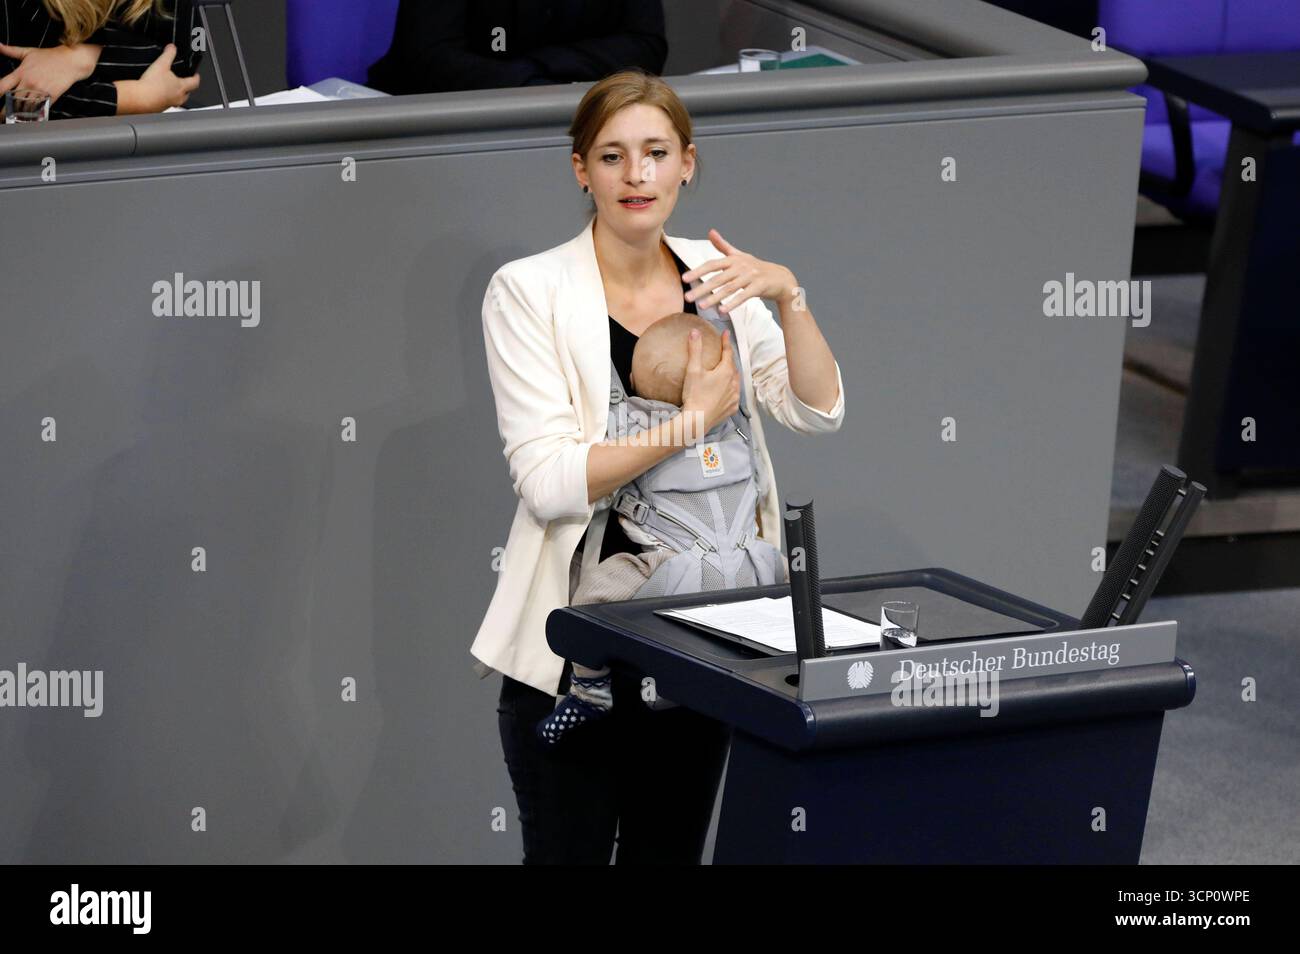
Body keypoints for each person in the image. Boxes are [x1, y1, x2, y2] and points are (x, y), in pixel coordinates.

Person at [474, 68, 846, 864]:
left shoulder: (723, 285)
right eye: (612, 156)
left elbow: (816, 410)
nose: (635, 175)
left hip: (705, 645)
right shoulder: (528, 291)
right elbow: (549, 483)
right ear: (581, 169)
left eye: (655, 152)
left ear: (687, 162)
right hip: (580, 657)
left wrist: (790, 298)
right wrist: (692, 424)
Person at [536, 312, 789, 746]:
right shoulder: (735, 423)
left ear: (631, 380)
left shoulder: (631, 427)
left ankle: (589, 688)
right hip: (756, 569)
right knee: (791, 591)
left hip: (675, 572)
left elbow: (574, 478)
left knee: (587, 598)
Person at [368, 0, 667, 94]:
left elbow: (645, 47)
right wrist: (530, 82)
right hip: (446, 132)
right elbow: (429, 56)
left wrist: (542, 71)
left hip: (586, 120)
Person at [0, 0, 201, 119]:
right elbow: (13, 103)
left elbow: (184, 60)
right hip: (28, 167)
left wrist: (83, 57)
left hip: (122, 157)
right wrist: (135, 97)